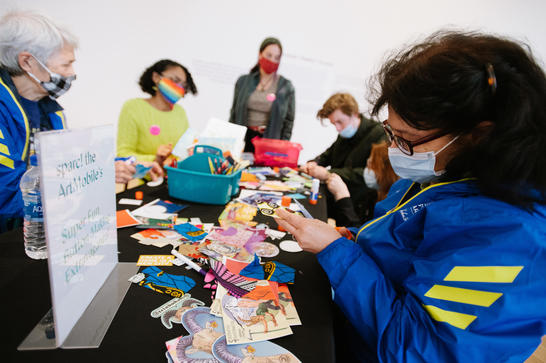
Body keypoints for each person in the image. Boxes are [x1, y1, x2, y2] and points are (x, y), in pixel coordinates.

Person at [276, 31, 546, 362]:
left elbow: (416, 349)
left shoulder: (508, 234)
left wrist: (338, 251)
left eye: (405, 139)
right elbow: (397, 239)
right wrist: (352, 238)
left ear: (478, 135)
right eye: (390, 132)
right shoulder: (441, 171)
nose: (393, 150)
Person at [0, 12, 160, 233]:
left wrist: (126, 166)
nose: (72, 73)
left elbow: (68, 166)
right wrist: (97, 177)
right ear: (27, 62)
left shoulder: (50, 110)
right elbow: (7, 198)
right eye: (66, 65)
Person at [300, 93, 386, 221]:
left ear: (355, 114)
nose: (338, 128)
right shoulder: (344, 134)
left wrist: (328, 173)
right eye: (334, 123)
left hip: (359, 204)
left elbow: (373, 175)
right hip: (337, 196)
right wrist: (314, 163)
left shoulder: (378, 134)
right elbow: (327, 155)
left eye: (340, 122)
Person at [117, 59, 197, 166]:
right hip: (141, 178)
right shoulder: (133, 107)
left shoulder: (180, 112)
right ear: (156, 77)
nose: (179, 88)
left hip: (172, 177)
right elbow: (123, 155)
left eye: (184, 85)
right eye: (175, 80)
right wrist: (155, 159)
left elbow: (185, 150)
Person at [229, 37, 295, 152]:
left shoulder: (286, 87)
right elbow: (234, 113)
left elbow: (288, 122)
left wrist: (282, 147)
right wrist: (230, 141)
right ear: (260, 54)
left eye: (276, 57)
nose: (272, 61)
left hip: (269, 141)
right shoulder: (243, 81)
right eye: (269, 55)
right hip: (244, 139)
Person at [326, 141, 398, 226]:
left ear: (388, 174)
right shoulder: (373, 194)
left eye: (371, 166)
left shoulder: (390, 208)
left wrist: (342, 196)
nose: (367, 170)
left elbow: (358, 234)